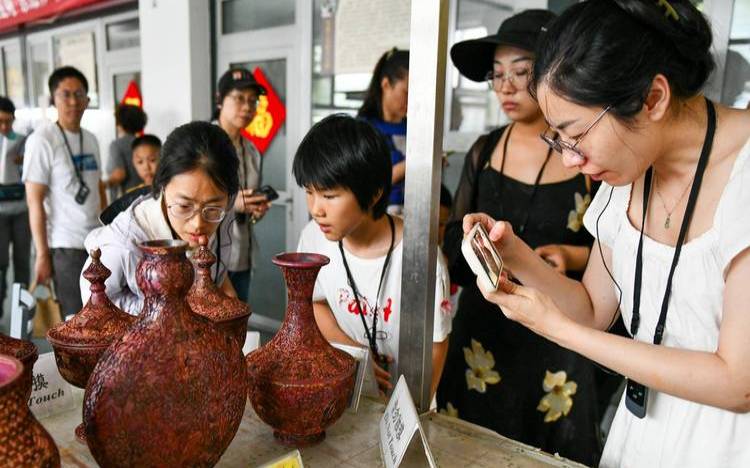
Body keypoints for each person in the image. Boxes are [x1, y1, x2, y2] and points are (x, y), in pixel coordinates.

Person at [465, 1, 750, 466]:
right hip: (640, 431)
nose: (569, 159)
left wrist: (555, 329)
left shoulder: (744, 175)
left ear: (653, 98)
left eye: (574, 134)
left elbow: (739, 381)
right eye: (557, 138)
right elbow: (595, 309)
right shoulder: (629, 168)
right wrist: (515, 255)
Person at [436, 10, 601, 465]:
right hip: (484, 335)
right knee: (468, 449)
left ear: (553, 72)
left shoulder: (585, 152)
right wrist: (475, 246)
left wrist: (570, 254)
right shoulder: (485, 150)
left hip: (558, 333)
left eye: (522, 73)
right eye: (497, 75)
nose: (505, 87)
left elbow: (619, 255)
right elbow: (452, 243)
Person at [294, 114, 452, 399]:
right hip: (346, 388)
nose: (316, 209)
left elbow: (436, 343)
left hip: (402, 398)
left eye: (329, 196)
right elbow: (313, 304)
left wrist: (411, 407)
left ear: (375, 192)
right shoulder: (313, 237)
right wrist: (356, 357)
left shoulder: (420, 257)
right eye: (309, 192)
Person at [80, 121, 239, 315]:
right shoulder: (124, 243)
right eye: (184, 206)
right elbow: (94, 307)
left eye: (212, 209)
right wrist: (173, 310)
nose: (198, 224)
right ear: (162, 186)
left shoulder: (222, 210)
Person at [23, 66, 106, 319]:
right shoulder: (42, 140)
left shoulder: (90, 138)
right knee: (75, 319)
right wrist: (42, 255)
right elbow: (34, 202)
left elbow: (98, 188)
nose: (73, 101)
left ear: (88, 100)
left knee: (101, 315)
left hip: (96, 242)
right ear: (53, 99)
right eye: (65, 94)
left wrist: (107, 231)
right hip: (65, 246)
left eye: (79, 94)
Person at [214, 68, 271, 303]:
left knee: (238, 327)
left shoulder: (252, 152)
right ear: (219, 100)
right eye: (239, 98)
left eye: (253, 101)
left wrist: (256, 210)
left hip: (243, 256)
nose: (247, 107)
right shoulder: (203, 144)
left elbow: (246, 207)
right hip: (209, 258)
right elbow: (186, 200)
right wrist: (231, 203)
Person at [357, 48, 409, 214]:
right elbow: (366, 184)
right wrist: (416, 164)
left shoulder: (414, 129)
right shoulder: (363, 129)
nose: (412, 99)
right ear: (386, 85)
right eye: (406, 92)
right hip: (379, 218)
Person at [0, 96, 29, 319]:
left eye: (8, 122)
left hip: (21, 209)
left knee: (22, 261)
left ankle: (22, 311)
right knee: (1, 263)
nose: (4, 127)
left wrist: (23, 160)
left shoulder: (22, 140)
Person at [106, 104, 147, 199]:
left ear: (119, 123)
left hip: (125, 200)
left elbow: (119, 175)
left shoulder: (117, 145)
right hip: (145, 197)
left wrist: (101, 184)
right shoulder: (146, 143)